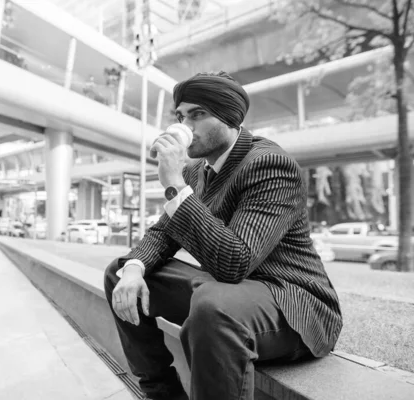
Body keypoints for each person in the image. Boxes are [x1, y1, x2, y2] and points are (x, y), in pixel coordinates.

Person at [103, 71, 342, 400]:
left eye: (198, 114)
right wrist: (134, 269)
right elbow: (161, 234)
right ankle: (162, 393)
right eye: (180, 116)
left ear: (230, 117)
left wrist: (173, 184)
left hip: (292, 304)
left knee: (213, 305)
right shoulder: (195, 172)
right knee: (121, 272)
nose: (186, 127)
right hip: (227, 292)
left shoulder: (270, 164)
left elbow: (235, 261)